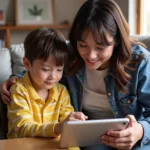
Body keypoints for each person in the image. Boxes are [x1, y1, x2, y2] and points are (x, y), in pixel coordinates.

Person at [1, 0, 150, 149]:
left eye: (100, 47)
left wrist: (140, 131)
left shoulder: (139, 62)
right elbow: (39, 67)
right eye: (83, 45)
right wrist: (16, 79)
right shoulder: (69, 55)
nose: (91, 56)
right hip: (91, 142)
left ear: (116, 40)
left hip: (132, 142)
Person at [6, 28, 87, 139]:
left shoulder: (61, 91)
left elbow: (68, 129)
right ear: (27, 64)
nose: (53, 76)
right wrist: (58, 128)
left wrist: (73, 123)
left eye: (59, 70)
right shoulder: (19, 90)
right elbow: (23, 128)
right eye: (45, 69)